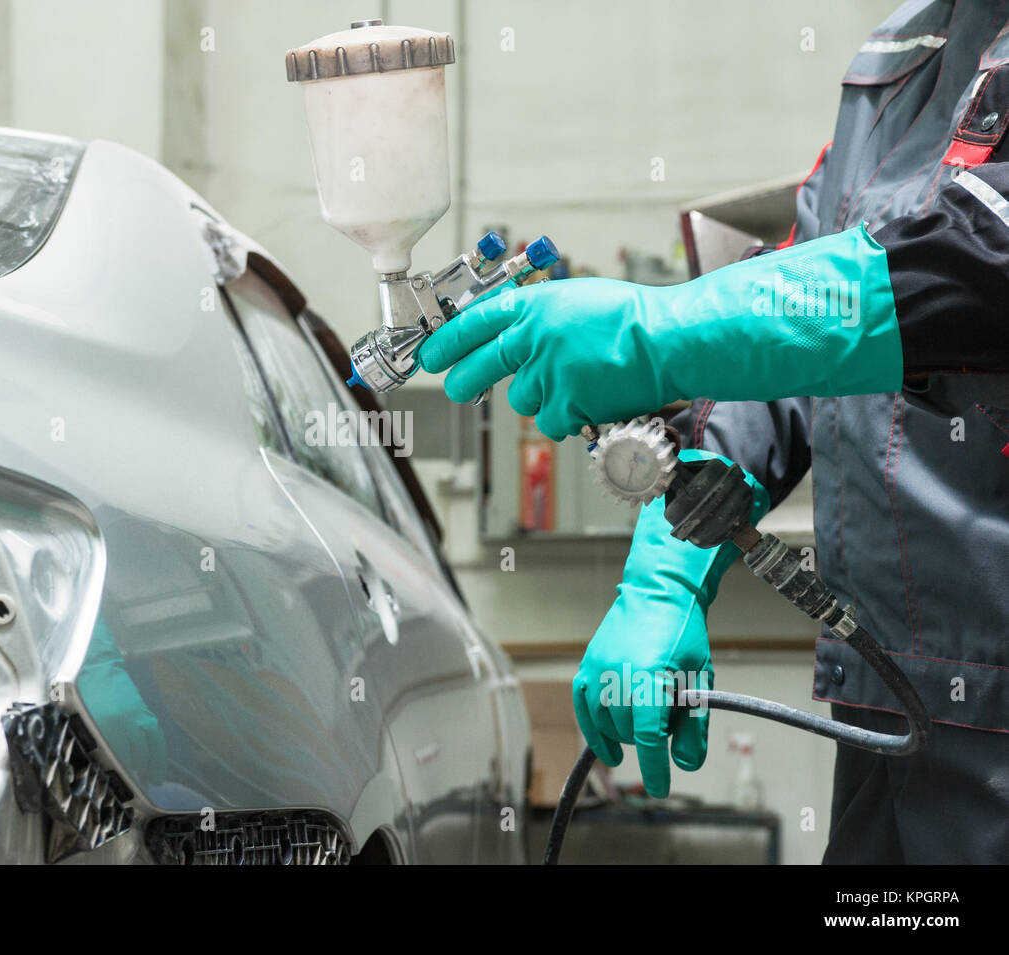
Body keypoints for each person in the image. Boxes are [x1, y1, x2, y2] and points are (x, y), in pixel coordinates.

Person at [420, 0, 1009, 863]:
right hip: (889, 707)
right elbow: (803, 326)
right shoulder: (902, 55)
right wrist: (670, 570)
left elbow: (974, 263)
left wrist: (660, 333)